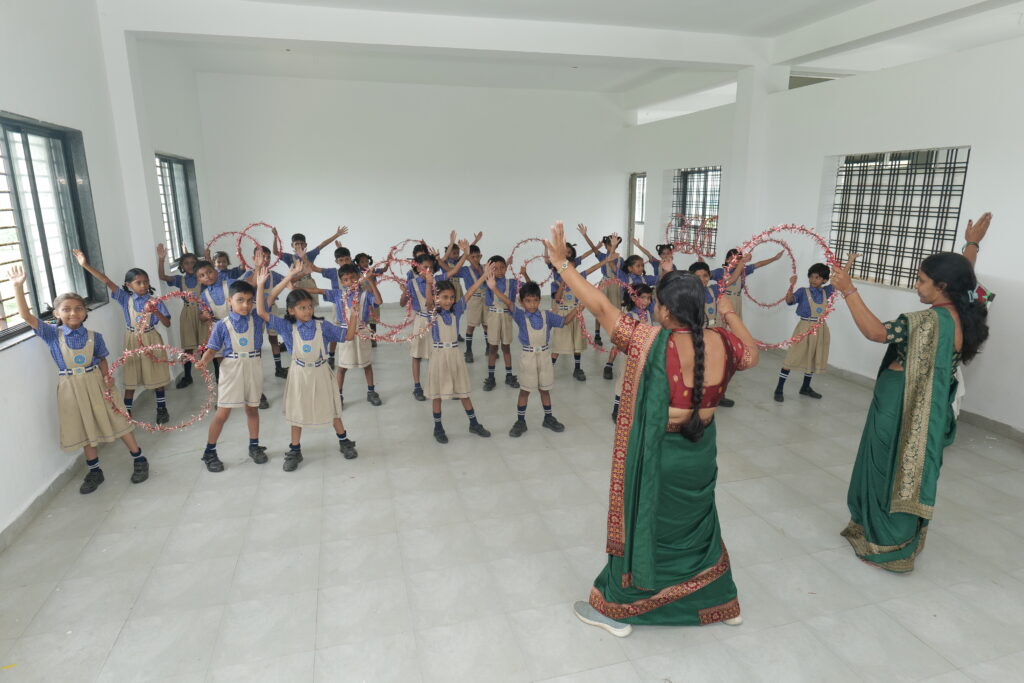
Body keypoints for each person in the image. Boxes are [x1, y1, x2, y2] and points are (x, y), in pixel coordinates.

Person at [542, 221, 759, 636]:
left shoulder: (648, 342)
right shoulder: (724, 343)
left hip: (661, 457)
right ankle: (718, 601)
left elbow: (601, 308)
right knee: (698, 528)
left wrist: (562, 265)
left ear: (665, 311)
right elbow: (752, 354)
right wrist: (730, 312)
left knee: (647, 527)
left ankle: (619, 609)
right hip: (700, 455)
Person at [834, 213, 992, 573]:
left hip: (899, 405)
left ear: (942, 286)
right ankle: (901, 538)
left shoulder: (923, 321)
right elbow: (964, 276)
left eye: (921, 281)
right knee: (914, 468)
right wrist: (972, 245)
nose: (916, 286)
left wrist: (848, 289)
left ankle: (884, 539)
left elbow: (876, 333)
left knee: (887, 465)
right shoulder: (969, 309)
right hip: (933, 406)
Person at [8, 266, 146, 493]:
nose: (73, 313)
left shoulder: (95, 337)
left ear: (85, 312)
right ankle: (95, 471)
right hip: (71, 387)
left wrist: (107, 376)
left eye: (79, 308)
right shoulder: (52, 335)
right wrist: (17, 287)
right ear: (56, 314)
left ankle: (139, 458)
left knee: (117, 419)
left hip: (97, 383)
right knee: (84, 426)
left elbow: (102, 359)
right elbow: (26, 316)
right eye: (67, 309)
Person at [256, 265, 359, 469]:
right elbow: (261, 311)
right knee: (297, 411)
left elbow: (347, 336)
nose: (308, 310)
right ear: (291, 311)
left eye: (310, 306)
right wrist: (260, 286)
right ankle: (295, 450)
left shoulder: (323, 326)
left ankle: (344, 441)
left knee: (331, 408)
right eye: (302, 308)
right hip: (299, 373)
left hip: (321, 371)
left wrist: (354, 316)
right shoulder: (287, 327)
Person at [74, 250, 172, 424]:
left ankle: (162, 409)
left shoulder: (155, 301)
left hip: (151, 339)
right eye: (138, 282)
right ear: (128, 285)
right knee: (131, 376)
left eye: (146, 282)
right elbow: (106, 281)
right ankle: (127, 413)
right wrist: (85, 265)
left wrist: (155, 310)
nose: (143, 285)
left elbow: (167, 323)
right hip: (132, 339)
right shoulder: (125, 299)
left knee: (156, 374)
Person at [194, 278, 269, 472]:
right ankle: (209, 451)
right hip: (231, 368)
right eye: (240, 300)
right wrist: (204, 361)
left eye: (250, 301)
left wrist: (262, 284)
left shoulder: (257, 318)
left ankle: (254, 446)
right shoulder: (222, 325)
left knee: (252, 409)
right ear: (230, 301)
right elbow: (212, 349)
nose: (246, 305)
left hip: (253, 366)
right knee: (222, 413)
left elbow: (271, 297)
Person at [488, 275, 577, 437]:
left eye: (535, 300)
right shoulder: (520, 316)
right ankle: (520, 422)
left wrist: (579, 308)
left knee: (545, 389)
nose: (532, 304)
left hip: (544, 356)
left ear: (539, 300)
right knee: (525, 390)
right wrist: (494, 288)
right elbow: (508, 302)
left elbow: (564, 321)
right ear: (522, 302)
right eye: (528, 301)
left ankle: (548, 418)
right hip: (528, 357)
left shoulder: (547, 315)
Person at [423, 274, 492, 443]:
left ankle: (474, 423)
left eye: (452, 297)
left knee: (463, 391)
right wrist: (429, 283)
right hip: (439, 356)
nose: (449, 301)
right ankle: (438, 428)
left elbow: (471, 290)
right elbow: (429, 302)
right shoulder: (433, 313)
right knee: (437, 395)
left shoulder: (457, 310)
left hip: (455, 355)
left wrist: (484, 276)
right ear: (437, 297)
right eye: (445, 297)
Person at [303, 263, 384, 407]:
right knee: (342, 367)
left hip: (362, 333)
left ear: (359, 277)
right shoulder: (338, 295)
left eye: (353, 278)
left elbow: (379, 301)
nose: (350, 282)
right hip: (345, 333)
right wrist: (296, 288)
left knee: (366, 364)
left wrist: (371, 281)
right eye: (346, 279)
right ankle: (338, 395)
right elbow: (318, 290)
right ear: (342, 282)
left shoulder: (365, 295)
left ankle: (371, 392)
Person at [550, 244, 620, 381]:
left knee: (577, 343)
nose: (569, 272)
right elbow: (557, 298)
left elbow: (592, 269)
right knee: (559, 343)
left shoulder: (579, 278)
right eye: (566, 269)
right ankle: (549, 368)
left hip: (576, 314)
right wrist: (564, 283)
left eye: (572, 269)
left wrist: (606, 261)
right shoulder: (556, 283)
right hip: (562, 316)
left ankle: (577, 368)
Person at [688, 260, 745, 408]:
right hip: (698, 334)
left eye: (705, 275)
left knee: (718, 365)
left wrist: (741, 264)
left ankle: (718, 396)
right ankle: (695, 398)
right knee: (698, 366)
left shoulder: (714, 289)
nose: (702, 279)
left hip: (715, 333)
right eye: (698, 276)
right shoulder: (689, 294)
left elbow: (732, 279)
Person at [774, 264, 834, 402]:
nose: (813, 280)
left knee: (813, 357)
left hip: (820, 328)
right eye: (811, 276)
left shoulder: (826, 292)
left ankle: (805, 387)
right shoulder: (802, 291)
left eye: (817, 277)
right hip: (804, 327)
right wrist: (791, 286)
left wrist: (850, 261)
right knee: (792, 357)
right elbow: (789, 301)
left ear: (825, 280)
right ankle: (779, 388)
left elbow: (840, 280)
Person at [155, 244, 205, 388]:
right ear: (181, 266)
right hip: (187, 314)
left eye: (193, 262)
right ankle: (187, 376)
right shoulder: (180, 280)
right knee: (188, 347)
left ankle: (218, 374)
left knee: (207, 345)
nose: (190, 265)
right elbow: (162, 276)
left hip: (202, 312)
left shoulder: (202, 278)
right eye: (186, 263)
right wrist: (161, 259)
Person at [271, 225, 348, 308]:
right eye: (296, 244)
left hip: (309, 284)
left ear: (305, 245)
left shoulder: (310, 255)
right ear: (292, 245)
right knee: (297, 306)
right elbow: (275, 252)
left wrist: (337, 234)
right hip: (296, 284)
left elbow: (322, 245)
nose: (299, 246)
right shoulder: (289, 257)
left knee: (310, 306)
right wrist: (275, 236)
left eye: (302, 244)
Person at [610, 283, 654, 422]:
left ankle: (637, 409)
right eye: (643, 297)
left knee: (640, 381)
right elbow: (622, 339)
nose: (646, 301)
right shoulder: (629, 316)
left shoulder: (647, 314)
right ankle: (616, 409)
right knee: (624, 381)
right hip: (629, 357)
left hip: (644, 356)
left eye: (649, 298)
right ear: (634, 298)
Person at [577, 225, 623, 348]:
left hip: (615, 285)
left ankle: (616, 334)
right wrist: (585, 235)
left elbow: (618, 272)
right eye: (609, 245)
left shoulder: (620, 259)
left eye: (613, 245)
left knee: (616, 310)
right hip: (605, 284)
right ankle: (597, 334)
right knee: (600, 309)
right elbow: (593, 248)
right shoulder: (602, 256)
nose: (610, 247)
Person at [711, 248, 785, 319]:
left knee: (735, 324)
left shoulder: (743, 271)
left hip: (737, 301)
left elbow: (759, 264)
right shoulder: (720, 272)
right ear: (727, 260)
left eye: (738, 259)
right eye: (733, 258)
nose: (736, 261)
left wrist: (775, 258)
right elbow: (708, 275)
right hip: (724, 301)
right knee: (722, 322)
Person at [481, 256, 520, 391]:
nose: (499, 271)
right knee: (493, 348)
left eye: (502, 267)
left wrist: (524, 273)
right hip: (493, 317)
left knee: (506, 347)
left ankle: (509, 375)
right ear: (490, 269)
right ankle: (491, 377)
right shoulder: (487, 282)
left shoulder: (511, 283)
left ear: (506, 268)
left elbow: (525, 288)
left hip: (506, 317)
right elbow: (483, 282)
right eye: (495, 268)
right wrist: (486, 273)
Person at [454, 242, 487, 363]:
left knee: (486, 325)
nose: (475, 259)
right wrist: (465, 255)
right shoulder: (465, 270)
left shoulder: (485, 267)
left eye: (477, 256)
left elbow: (483, 275)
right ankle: (468, 351)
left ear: (481, 256)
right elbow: (454, 268)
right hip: (473, 299)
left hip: (486, 299)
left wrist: (468, 256)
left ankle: (489, 347)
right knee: (471, 326)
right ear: (468, 258)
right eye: (472, 257)